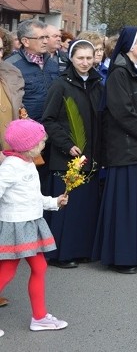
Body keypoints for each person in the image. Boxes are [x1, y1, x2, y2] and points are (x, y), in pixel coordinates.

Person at [93, 27, 137, 275]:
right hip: (126, 149)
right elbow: (123, 112)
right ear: (131, 46)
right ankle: (122, 257)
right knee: (126, 207)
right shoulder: (119, 74)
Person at [0, 119, 69, 334]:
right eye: (40, 143)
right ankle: (39, 317)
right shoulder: (11, 167)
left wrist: (53, 202)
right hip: (17, 225)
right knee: (7, 272)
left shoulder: (28, 163)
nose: (43, 145)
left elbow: (33, 197)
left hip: (30, 222)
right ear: (26, 146)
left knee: (38, 267)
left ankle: (39, 317)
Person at [41, 40, 103, 268]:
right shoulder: (61, 84)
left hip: (91, 157)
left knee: (84, 209)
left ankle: (82, 250)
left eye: (89, 58)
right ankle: (60, 254)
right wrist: (66, 145)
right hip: (66, 156)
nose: (85, 63)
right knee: (66, 208)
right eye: (80, 58)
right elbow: (48, 120)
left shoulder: (98, 84)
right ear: (71, 59)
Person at [6, 19, 60, 123]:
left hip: (52, 125)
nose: (45, 41)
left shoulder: (53, 63)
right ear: (25, 41)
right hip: (26, 128)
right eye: (41, 38)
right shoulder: (11, 66)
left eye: (46, 37)